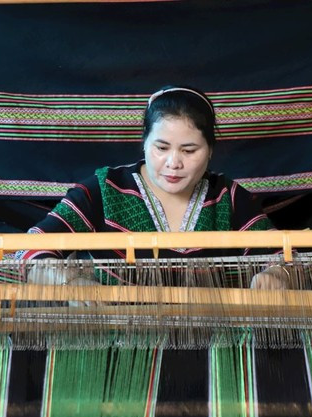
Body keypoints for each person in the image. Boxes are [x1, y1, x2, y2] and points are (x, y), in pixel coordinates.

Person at [18, 85, 289, 289]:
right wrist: (69, 283)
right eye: (161, 147)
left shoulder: (226, 198)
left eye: (189, 150)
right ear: (144, 142)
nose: (173, 163)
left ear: (210, 151)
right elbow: (30, 250)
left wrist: (276, 275)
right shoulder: (106, 190)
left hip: (210, 342)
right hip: (116, 344)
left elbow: (285, 257)